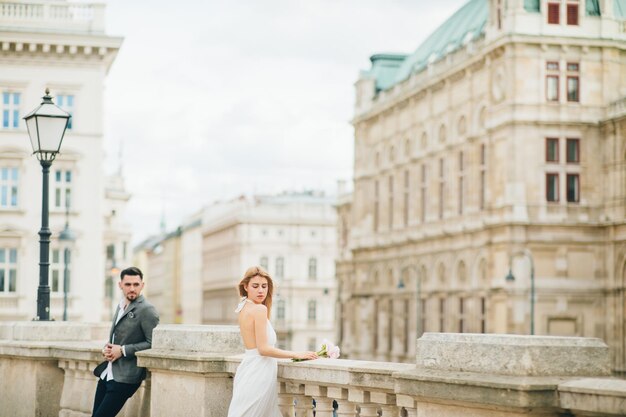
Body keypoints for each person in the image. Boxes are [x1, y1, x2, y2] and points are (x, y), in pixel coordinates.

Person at [227, 266, 318, 417]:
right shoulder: (259, 310)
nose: (261, 290)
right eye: (255, 286)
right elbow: (264, 349)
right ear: (246, 286)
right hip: (259, 371)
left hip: (249, 369)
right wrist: (297, 353)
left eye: (264, 286)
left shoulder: (243, 306)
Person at [91, 266, 160, 417]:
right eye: (128, 284)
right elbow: (118, 337)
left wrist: (122, 350)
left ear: (142, 285)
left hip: (126, 378)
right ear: (120, 285)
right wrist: (107, 349)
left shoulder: (147, 310)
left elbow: (153, 343)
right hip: (108, 373)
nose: (132, 289)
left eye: (136, 284)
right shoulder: (121, 305)